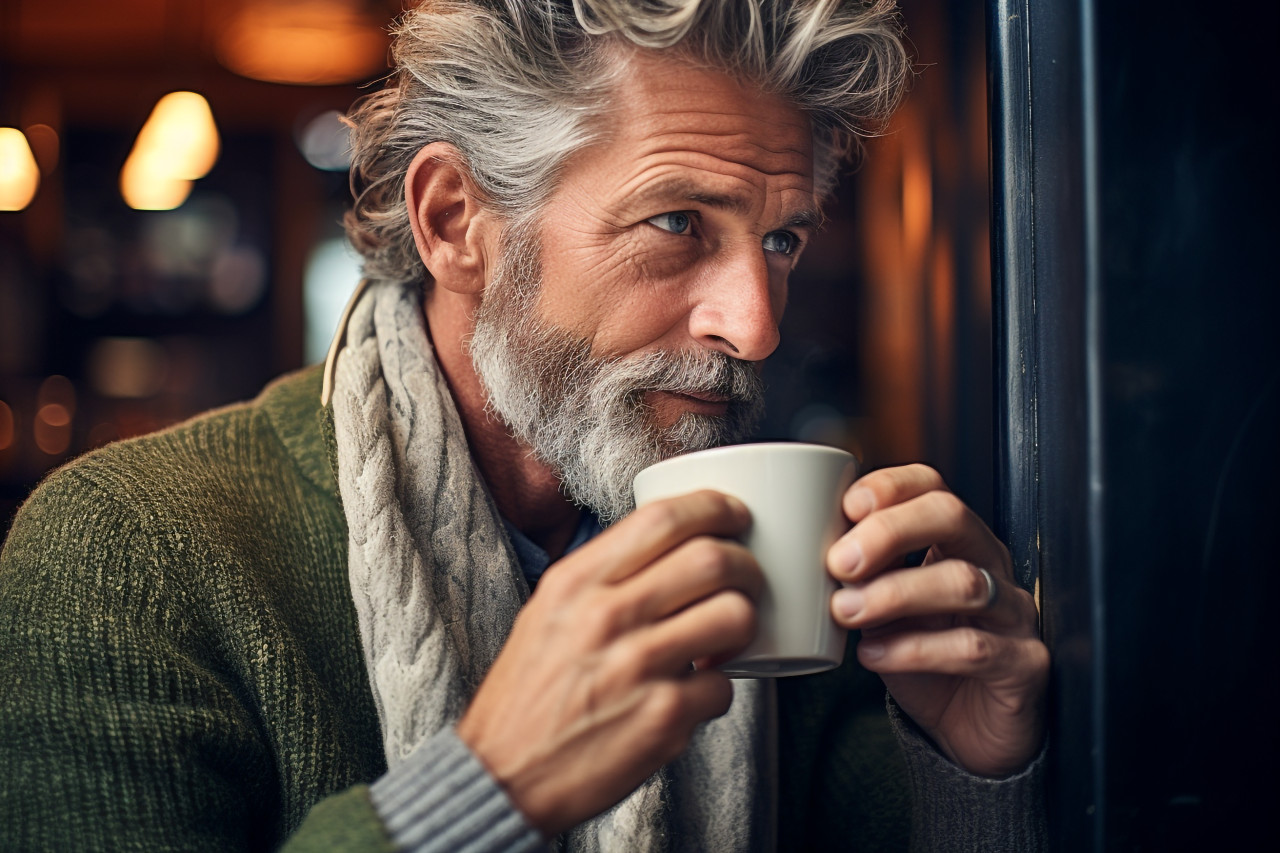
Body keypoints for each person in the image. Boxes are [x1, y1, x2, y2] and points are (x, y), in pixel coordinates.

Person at [0, 1, 1049, 850]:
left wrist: (975, 764)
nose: (755, 327)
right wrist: (480, 795)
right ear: (457, 222)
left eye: (778, 240)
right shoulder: (123, 554)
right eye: (677, 223)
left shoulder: (785, 575)